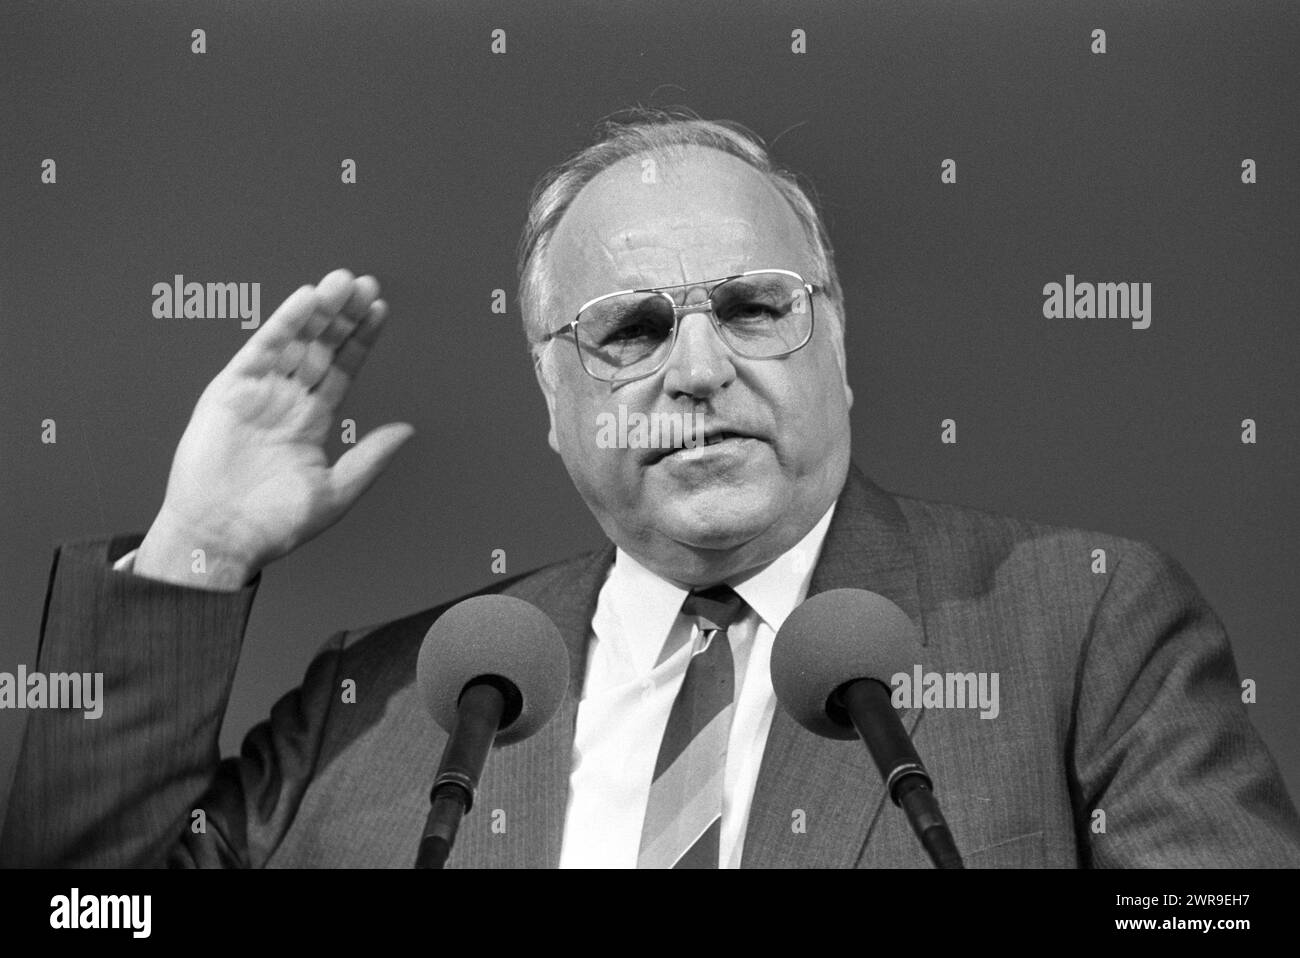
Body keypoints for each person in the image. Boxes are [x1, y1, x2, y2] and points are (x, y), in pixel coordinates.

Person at [3, 111, 1298, 868]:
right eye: (627, 330)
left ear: (837, 353)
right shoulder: (389, 699)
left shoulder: (1077, 621)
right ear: (554, 405)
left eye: (752, 306)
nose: (696, 367)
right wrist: (193, 552)